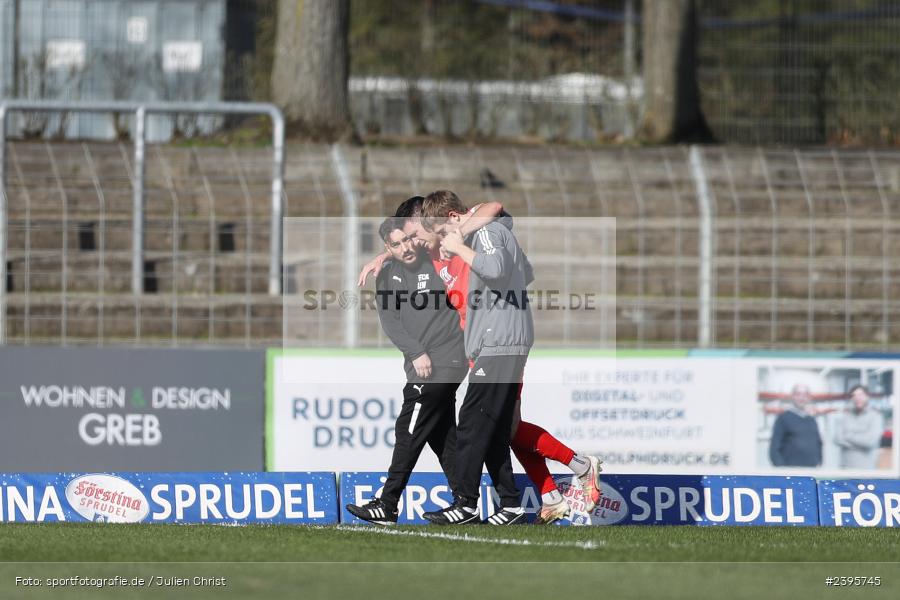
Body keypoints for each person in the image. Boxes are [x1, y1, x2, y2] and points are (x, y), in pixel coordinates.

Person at [359, 195, 602, 525]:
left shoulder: (471, 236)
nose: (414, 242)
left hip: (499, 341)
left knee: (478, 422)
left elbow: (493, 208)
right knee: (506, 427)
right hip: (481, 345)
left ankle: (466, 502)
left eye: (419, 233)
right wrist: (384, 255)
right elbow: (406, 245)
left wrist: (458, 239)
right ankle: (548, 493)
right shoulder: (430, 252)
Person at [345, 213, 468, 525]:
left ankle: (387, 503)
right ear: (389, 247)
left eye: (408, 240)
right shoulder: (388, 273)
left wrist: (422, 354)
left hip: (444, 360)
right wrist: (414, 352)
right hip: (422, 364)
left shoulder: (435, 256)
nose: (406, 248)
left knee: (408, 428)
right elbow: (390, 321)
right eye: (396, 245)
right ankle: (466, 503)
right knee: (442, 436)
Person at [769, 384, 823, 467]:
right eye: (798, 394)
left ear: (808, 398)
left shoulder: (811, 420)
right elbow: (774, 449)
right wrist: (782, 470)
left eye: (805, 395)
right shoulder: (783, 418)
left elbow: (818, 444)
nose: (802, 398)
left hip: (811, 471)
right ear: (792, 396)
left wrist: (819, 462)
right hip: (791, 471)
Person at [833, 385, 883, 470]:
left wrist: (848, 436)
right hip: (844, 468)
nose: (857, 398)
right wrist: (860, 440)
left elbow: (870, 442)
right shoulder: (845, 416)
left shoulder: (876, 417)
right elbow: (837, 439)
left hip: (865, 469)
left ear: (867, 397)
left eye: (860, 395)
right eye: (854, 395)